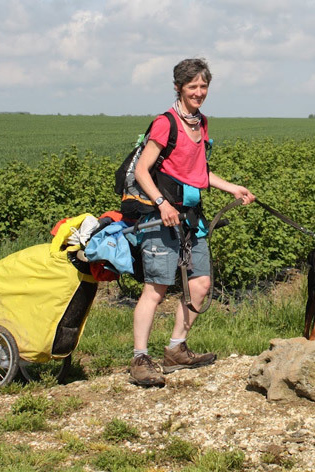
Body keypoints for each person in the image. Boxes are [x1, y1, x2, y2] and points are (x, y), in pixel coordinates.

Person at [128, 58, 255, 387]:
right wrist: (161, 203)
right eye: (192, 87)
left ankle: (175, 351)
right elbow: (143, 171)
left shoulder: (201, 123)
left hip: (190, 219)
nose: (199, 92)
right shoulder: (165, 123)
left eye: (203, 86)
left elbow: (198, 173)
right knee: (155, 290)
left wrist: (232, 187)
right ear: (178, 88)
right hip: (160, 218)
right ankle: (140, 358)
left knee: (200, 285)